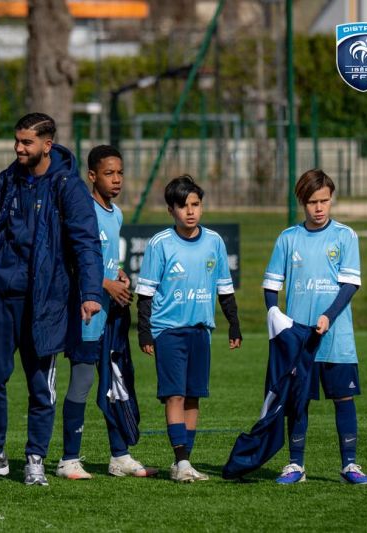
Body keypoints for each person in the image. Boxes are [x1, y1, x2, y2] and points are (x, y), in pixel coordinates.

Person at [0, 113, 103, 486]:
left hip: (45, 299)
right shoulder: (7, 179)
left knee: (40, 383)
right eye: (17, 140)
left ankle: (35, 457)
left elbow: (86, 242)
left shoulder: (68, 186)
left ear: (47, 144)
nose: (19, 148)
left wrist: (90, 293)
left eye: (27, 142)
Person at [262, 168, 367, 485]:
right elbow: (271, 285)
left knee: (343, 399)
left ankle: (350, 465)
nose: (319, 208)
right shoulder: (288, 238)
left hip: (337, 338)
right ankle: (295, 466)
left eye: (324, 200)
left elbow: (350, 285)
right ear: (302, 202)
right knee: (298, 401)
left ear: (331, 199)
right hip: (300, 341)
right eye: (312, 202)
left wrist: (328, 316)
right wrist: (277, 318)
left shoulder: (345, 236)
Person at [136, 175, 241, 483]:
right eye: (183, 206)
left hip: (200, 331)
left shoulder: (215, 242)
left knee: (194, 396)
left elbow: (225, 289)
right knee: (175, 396)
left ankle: (184, 462)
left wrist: (234, 324)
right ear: (171, 210)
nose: (190, 211)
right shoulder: (160, 244)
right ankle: (181, 461)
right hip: (168, 330)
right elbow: (145, 293)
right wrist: (144, 331)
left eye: (195, 204)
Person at [57, 145, 151, 480]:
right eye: (109, 173)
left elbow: (108, 259)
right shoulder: (84, 213)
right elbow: (73, 263)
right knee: (82, 382)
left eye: (120, 173)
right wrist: (105, 284)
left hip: (112, 316)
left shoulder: (117, 214)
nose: (117, 179)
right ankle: (69, 459)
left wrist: (120, 275)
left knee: (114, 384)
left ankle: (119, 456)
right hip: (88, 312)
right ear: (92, 176)